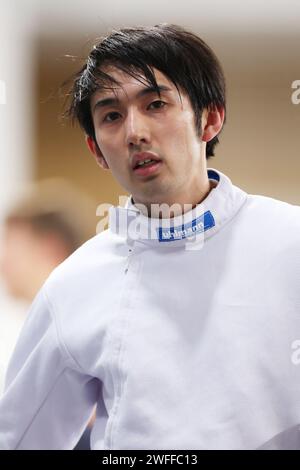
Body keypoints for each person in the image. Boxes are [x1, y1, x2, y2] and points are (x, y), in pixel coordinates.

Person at [0, 23, 299, 450]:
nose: (134, 132)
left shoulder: (290, 243)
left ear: (210, 119)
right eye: (111, 116)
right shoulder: (73, 286)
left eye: (156, 104)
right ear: (97, 150)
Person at [0, 178, 97, 449]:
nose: (3, 262)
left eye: (11, 245)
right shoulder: (46, 328)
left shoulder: (83, 328)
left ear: (49, 248)